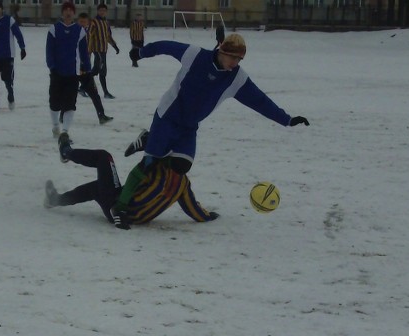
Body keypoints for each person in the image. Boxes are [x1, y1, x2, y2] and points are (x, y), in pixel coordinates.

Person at [110, 34, 310, 229]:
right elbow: (166, 46)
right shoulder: (196, 55)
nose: (235, 63)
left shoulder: (236, 78)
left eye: (239, 59)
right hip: (167, 118)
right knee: (148, 164)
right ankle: (120, 207)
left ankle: (149, 140)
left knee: (181, 165)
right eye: (233, 57)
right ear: (221, 51)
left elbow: (259, 100)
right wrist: (142, 52)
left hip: (189, 127)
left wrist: (287, 119)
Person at [44, 132, 219, 230]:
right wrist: (206, 216)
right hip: (128, 214)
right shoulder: (183, 184)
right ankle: (55, 200)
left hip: (121, 209)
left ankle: (66, 152)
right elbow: (192, 208)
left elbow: (134, 178)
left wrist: (118, 209)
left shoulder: (156, 168)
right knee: (95, 189)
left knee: (104, 158)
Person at [46, 2, 90, 140]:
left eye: (71, 10)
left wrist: (86, 67)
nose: (68, 12)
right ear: (62, 12)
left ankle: (65, 131)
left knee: (70, 103)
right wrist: (52, 66)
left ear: (74, 13)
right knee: (54, 103)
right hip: (57, 72)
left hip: (73, 73)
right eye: (66, 10)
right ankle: (55, 126)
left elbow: (84, 52)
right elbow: (49, 50)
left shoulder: (80, 31)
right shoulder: (54, 29)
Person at [0, 0, 27, 114]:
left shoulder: (9, 20)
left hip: (8, 56)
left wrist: (22, 48)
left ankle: (10, 95)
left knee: (7, 79)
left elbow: (18, 33)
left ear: (2, 9)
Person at [76, 12, 113, 125]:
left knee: (94, 93)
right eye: (80, 21)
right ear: (78, 22)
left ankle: (101, 116)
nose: (82, 24)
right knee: (70, 93)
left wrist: (97, 55)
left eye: (84, 22)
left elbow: (93, 45)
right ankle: (63, 115)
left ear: (88, 22)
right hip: (74, 67)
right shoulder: (74, 32)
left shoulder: (89, 32)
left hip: (86, 67)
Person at [87, 3, 119, 99]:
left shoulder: (106, 23)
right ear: (97, 11)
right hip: (97, 50)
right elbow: (89, 35)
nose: (102, 12)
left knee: (99, 70)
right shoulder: (94, 22)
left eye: (104, 11)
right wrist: (88, 50)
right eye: (100, 10)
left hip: (103, 50)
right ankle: (104, 92)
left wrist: (115, 46)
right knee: (100, 70)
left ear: (106, 12)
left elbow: (108, 36)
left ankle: (84, 87)